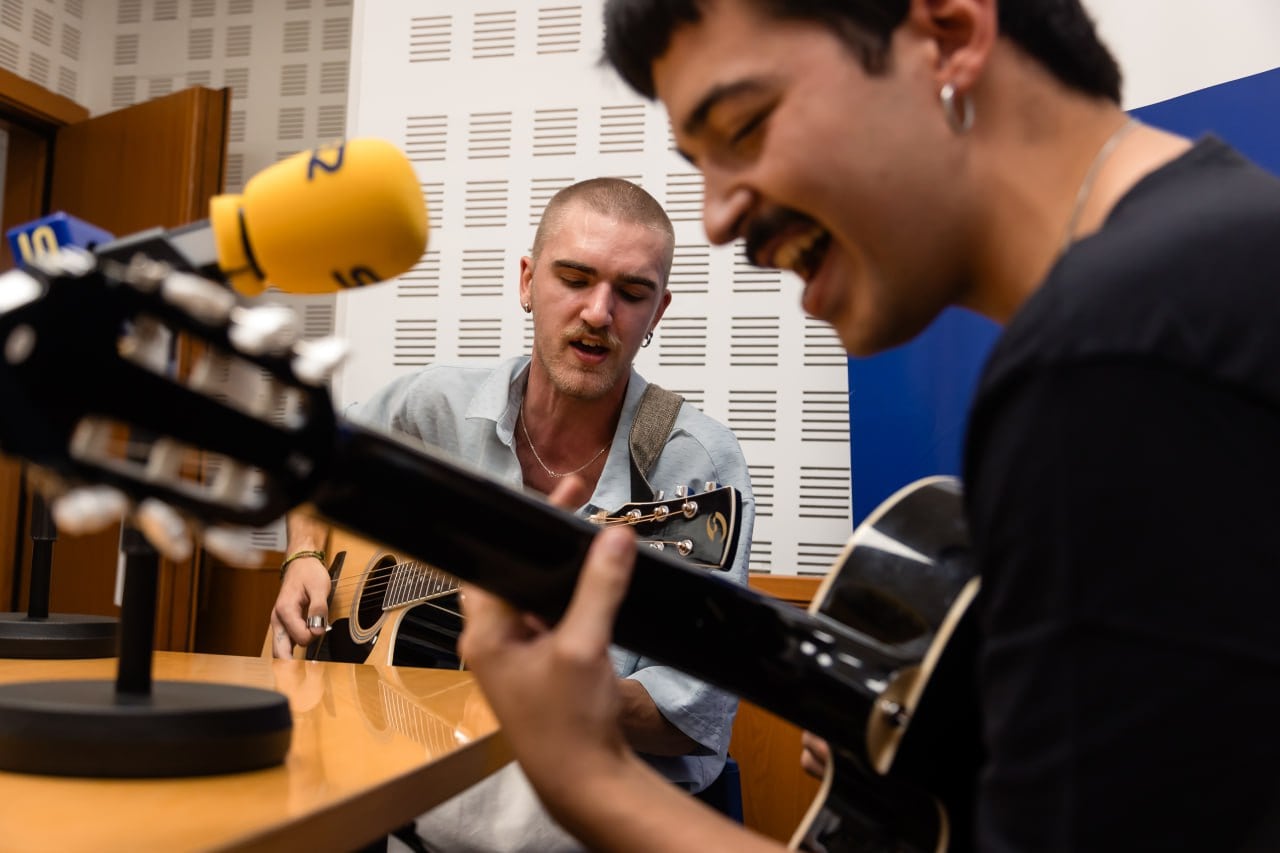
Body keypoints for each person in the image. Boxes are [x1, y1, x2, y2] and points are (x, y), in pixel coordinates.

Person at [456, 1, 1280, 851]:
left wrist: (582, 770)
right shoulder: (1214, 267)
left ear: (949, 39)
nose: (717, 220)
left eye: (745, 125)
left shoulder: (1111, 359)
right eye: (697, 164)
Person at [270, 177, 756, 852]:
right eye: (574, 278)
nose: (597, 312)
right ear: (528, 281)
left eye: (631, 292)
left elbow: (693, 718)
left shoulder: (693, 466)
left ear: (658, 311)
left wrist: (564, 693)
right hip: (408, 814)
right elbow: (312, 458)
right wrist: (300, 558)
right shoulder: (436, 405)